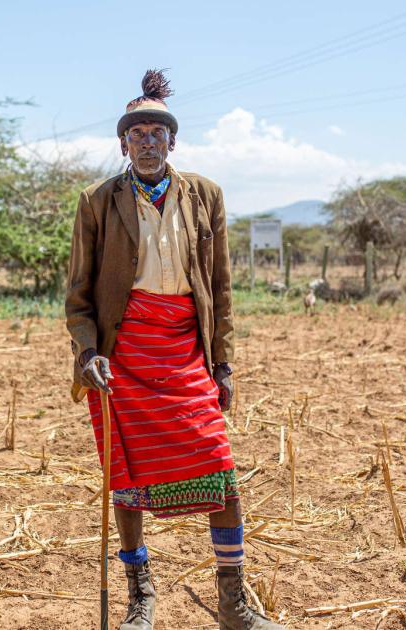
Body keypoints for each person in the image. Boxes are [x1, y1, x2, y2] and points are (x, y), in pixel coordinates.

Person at [65, 69, 282, 630]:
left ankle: (233, 602)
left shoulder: (205, 195)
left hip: (186, 352)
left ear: (172, 142)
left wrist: (224, 361)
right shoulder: (96, 202)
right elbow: (79, 292)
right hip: (125, 354)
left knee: (218, 467)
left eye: (157, 133)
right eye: (136, 134)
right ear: (122, 143)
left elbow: (222, 286)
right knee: (128, 480)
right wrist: (89, 354)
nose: (147, 142)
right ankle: (141, 596)